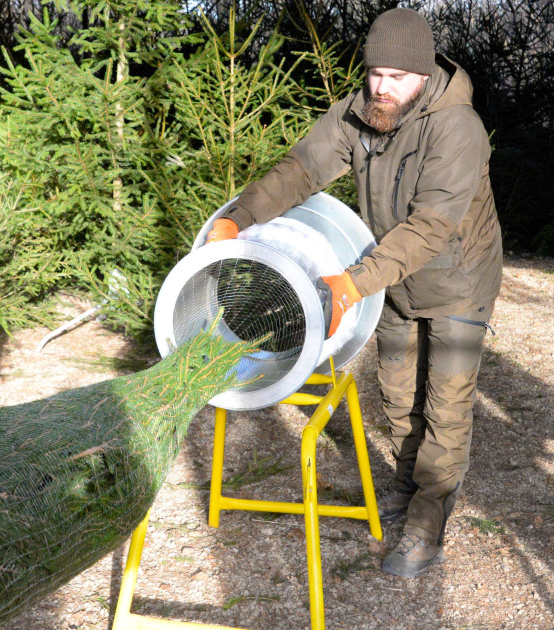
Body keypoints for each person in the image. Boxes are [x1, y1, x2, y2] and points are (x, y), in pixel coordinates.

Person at [206, 8, 502, 578]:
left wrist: (352, 284)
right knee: (397, 395)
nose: (382, 87)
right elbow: (301, 170)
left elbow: (431, 227)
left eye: (397, 77)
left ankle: (427, 524)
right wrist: (239, 217)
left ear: (423, 76)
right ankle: (406, 485)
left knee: (446, 407)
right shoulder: (360, 113)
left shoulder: (457, 128)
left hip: (458, 282)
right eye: (375, 73)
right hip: (390, 276)